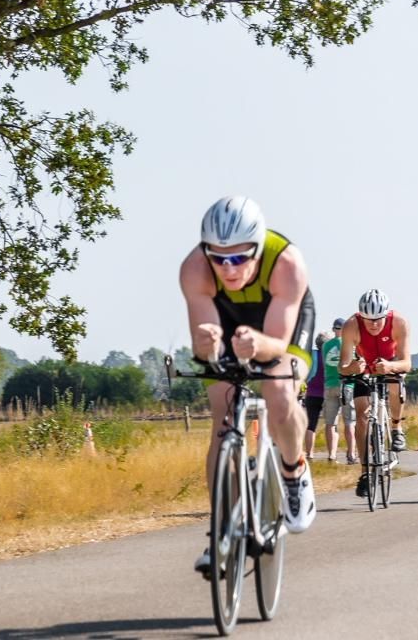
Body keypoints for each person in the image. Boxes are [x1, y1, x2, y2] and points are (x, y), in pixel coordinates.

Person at [180, 195, 317, 575]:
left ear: (258, 247)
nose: (228, 267)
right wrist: (207, 345)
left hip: (279, 320)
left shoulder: (286, 263)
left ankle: (293, 471)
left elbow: (276, 342)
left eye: (240, 257)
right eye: (218, 257)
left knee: (279, 389)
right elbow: (204, 341)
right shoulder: (194, 269)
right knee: (223, 416)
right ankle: (222, 530)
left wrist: (259, 346)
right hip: (228, 318)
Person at [339, 289, 411, 498]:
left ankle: (397, 429)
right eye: (368, 320)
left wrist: (390, 366)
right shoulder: (351, 325)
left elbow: (407, 362)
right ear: (360, 315)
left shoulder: (399, 323)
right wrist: (352, 367)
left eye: (378, 320)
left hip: (390, 366)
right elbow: (342, 366)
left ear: (386, 315)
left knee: (395, 386)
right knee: (361, 417)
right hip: (365, 371)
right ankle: (364, 473)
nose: (373, 325)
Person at [321, 317, 355, 463]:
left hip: (329, 384)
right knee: (349, 421)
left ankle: (332, 455)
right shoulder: (349, 344)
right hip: (346, 384)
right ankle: (351, 454)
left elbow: (325, 364)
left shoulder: (325, 346)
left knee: (330, 422)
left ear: (334, 329)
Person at [303, 332, 329, 458]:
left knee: (311, 425)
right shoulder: (329, 355)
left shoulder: (311, 355)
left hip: (311, 393)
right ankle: (332, 454)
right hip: (327, 393)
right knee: (331, 425)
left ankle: (310, 453)